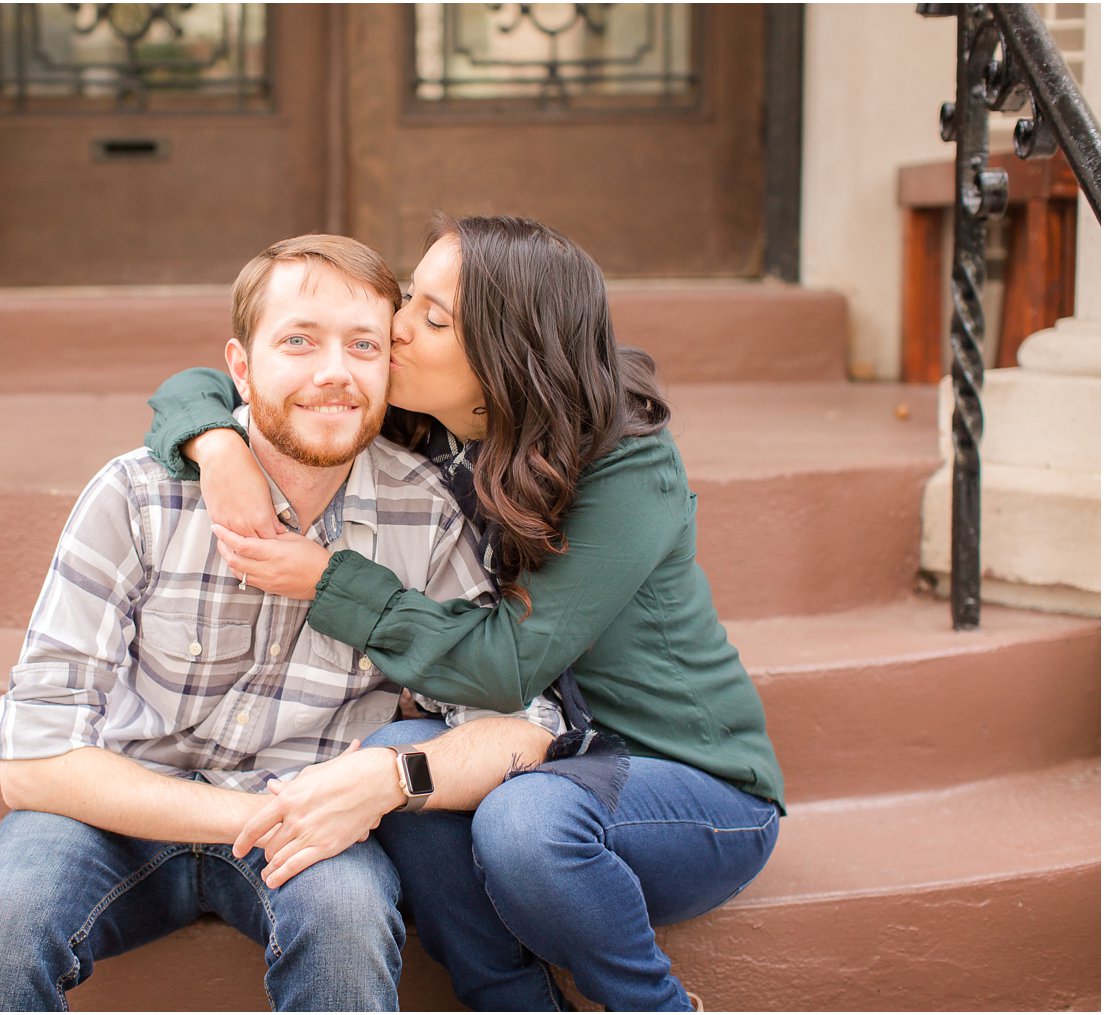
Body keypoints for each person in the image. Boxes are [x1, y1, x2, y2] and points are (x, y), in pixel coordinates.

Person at [144, 215, 786, 1012]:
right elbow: (205, 382)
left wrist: (328, 580)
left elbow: (507, 664)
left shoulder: (625, 464)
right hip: (528, 746)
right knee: (401, 762)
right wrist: (216, 445)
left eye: (433, 319)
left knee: (519, 817)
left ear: (505, 355)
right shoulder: (426, 416)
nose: (397, 328)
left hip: (683, 783)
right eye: (411, 300)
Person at [0, 233, 561, 1012]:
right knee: (6, 920)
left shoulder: (425, 515)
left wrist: (385, 780)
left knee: (347, 919)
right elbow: (31, 761)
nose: (333, 372)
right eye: (299, 341)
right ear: (240, 365)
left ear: (388, 365)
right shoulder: (138, 495)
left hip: (311, 824)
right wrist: (262, 814)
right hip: (122, 807)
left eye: (362, 344)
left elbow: (521, 727)